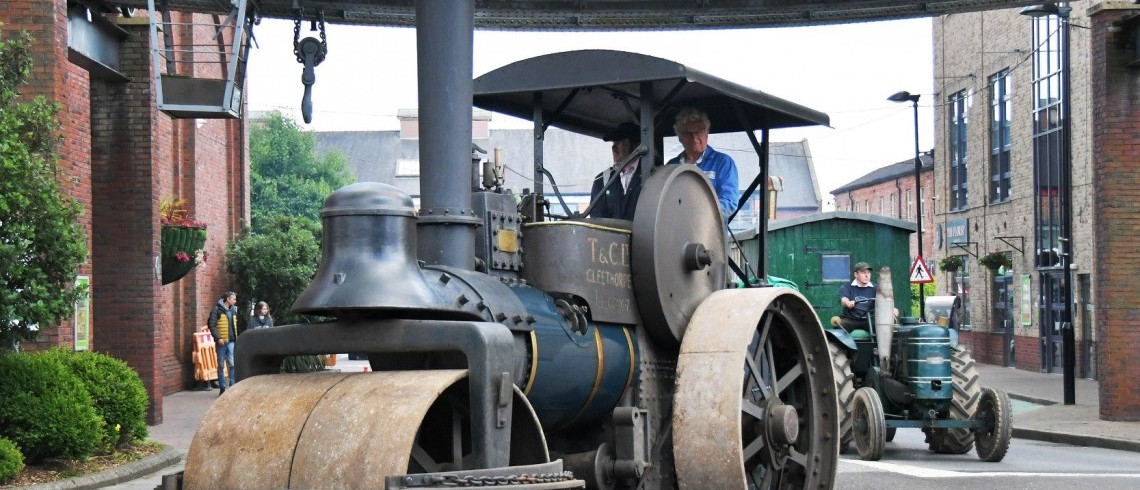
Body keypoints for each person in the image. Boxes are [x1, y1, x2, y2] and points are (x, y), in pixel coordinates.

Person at [666, 107, 740, 218]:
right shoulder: (671, 166)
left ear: (707, 132)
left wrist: (698, 212)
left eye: (699, 131)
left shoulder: (723, 163)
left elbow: (730, 202)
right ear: (680, 137)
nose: (694, 137)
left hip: (709, 233)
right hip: (678, 232)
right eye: (688, 133)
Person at [588, 122, 643, 220]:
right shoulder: (602, 180)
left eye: (620, 142)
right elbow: (596, 221)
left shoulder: (651, 175)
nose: (613, 147)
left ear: (636, 146)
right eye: (614, 142)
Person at [836, 262, 898, 332]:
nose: (866, 275)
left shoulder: (876, 288)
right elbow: (844, 299)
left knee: (883, 324)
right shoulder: (847, 287)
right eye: (863, 273)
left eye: (868, 273)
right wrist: (848, 303)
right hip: (851, 319)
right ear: (856, 274)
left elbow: (885, 301)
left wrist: (892, 309)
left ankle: (881, 343)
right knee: (840, 325)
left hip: (870, 320)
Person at [207, 291, 238, 394]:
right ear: (228, 299)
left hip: (231, 341)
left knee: (232, 364)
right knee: (221, 365)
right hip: (221, 342)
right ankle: (223, 387)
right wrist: (218, 337)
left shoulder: (234, 310)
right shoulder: (216, 310)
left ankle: (233, 386)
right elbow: (212, 325)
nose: (235, 300)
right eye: (233, 299)